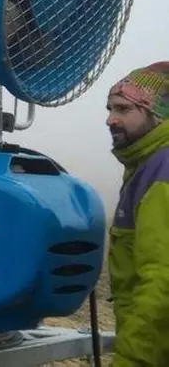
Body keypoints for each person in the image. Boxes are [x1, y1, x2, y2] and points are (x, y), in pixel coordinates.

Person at [105, 61, 169, 367]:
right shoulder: (145, 166)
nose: (110, 120)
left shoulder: (162, 170)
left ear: (158, 114)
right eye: (109, 109)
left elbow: (162, 280)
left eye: (123, 109)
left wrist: (131, 360)